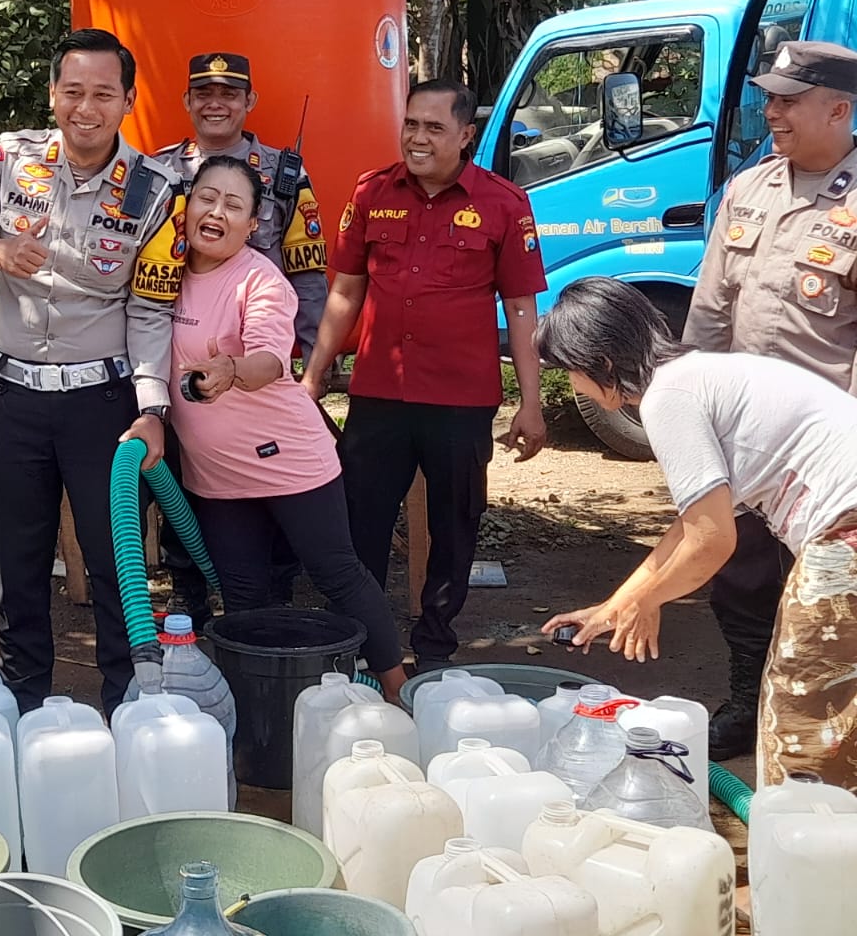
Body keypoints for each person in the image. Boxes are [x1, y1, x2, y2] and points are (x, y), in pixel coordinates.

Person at [0, 28, 180, 713]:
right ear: (52, 94)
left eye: (104, 93)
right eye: (72, 91)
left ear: (128, 100)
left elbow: (152, 308)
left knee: (113, 563)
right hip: (12, 397)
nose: (86, 107)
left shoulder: (158, 189)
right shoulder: (9, 159)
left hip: (101, 399)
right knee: (16, 560)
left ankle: (125, 705)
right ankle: (24, 705)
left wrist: (150, 407)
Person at [538, 277, 857, 790]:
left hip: (847, 533)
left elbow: (712, 541)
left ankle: (801, 844)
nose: (573, 385)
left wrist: (649, 602)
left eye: (572, 371)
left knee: (801, 711)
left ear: (601, 365)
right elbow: (689, 527)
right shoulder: (698, 375)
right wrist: (619, 603)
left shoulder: (669, 399)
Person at [301, 79, 548, 674]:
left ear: (466, 136)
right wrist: (314, 375)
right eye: (411, 124)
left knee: (454, 527)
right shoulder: (371, 193)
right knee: (360, 524)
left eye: (434, 128)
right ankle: (363, 647)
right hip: (379, 394)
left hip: (461, 400)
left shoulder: (503, 204)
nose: (417, 137)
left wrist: (531, 403)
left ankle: (434, 649)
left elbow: (520, 309)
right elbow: (345, 292)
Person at [171, 157, 407, 701]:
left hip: (289, 458)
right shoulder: (164, 273)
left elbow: (271, 359)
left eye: (234, 205)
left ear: (253, 225)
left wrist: (231, 370)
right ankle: (261, 708)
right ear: (186, 208)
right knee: (243, 592)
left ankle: (400, 692)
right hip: (215, 473)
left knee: (337, 573)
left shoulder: (260, 278)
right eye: (207, 198)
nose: (216, 212)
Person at [681, 39, 857, 760]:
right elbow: (710, 309)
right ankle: (747, 699)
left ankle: (826, 730)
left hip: (830, 450)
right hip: (749, 442)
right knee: (742, 579)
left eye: (788, 100)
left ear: (839, 109)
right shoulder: (751, 188)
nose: (771, 111)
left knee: (829, 593)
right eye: (771, 96)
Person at [157, 52, 330, 621]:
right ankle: (191, 597)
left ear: (249, 102)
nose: (215, 102)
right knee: (183, 485)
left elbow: (305, 272)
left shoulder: (283, 172)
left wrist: (308, 370)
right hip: (177, 355)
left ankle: (272, 601)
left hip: (258, 365)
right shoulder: (158, 172)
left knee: (274, 495)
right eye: (203, 92)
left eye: (229, 93)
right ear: (187, 101)